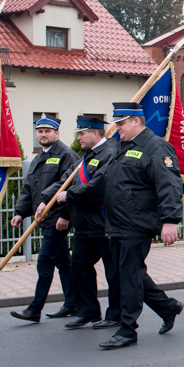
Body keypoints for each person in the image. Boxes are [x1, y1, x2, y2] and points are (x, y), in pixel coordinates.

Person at [98, 102, 184, 349]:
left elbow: (169, 185)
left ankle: (127, 330)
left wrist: (170, 220)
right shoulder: (122, 147)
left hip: (137, 224)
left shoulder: (155, 147)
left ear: (136, 121)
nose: (117, 128)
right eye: (116, 124)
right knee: (131, 273)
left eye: (121, 123)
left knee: (129, 276)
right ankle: (168, 307)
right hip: (118, 224)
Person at [9, 114, 78, 323]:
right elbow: (29, 189)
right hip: (46, 219)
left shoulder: (67, 155)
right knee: (64, 263)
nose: (43, 134)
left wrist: (66, 215)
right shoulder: (40, 157)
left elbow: (72, 187)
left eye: (48, 131)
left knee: (44, 261)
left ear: (57, 133)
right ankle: (72, 303)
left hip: (58, 219)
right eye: (40, 131)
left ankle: (34, 309)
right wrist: (20, 212)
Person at [57, 116, 120, 329]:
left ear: (95, 133)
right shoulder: (88, 155)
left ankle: (116, 314)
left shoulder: (109, 153)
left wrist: (69, 195)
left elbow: (98, 188)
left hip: (104, 223)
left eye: (82, 133)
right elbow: (66, 180)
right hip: (85, 224)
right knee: (80, 266)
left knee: (113, 272)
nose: (79, 137)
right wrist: (47, 199)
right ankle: (88, 312)